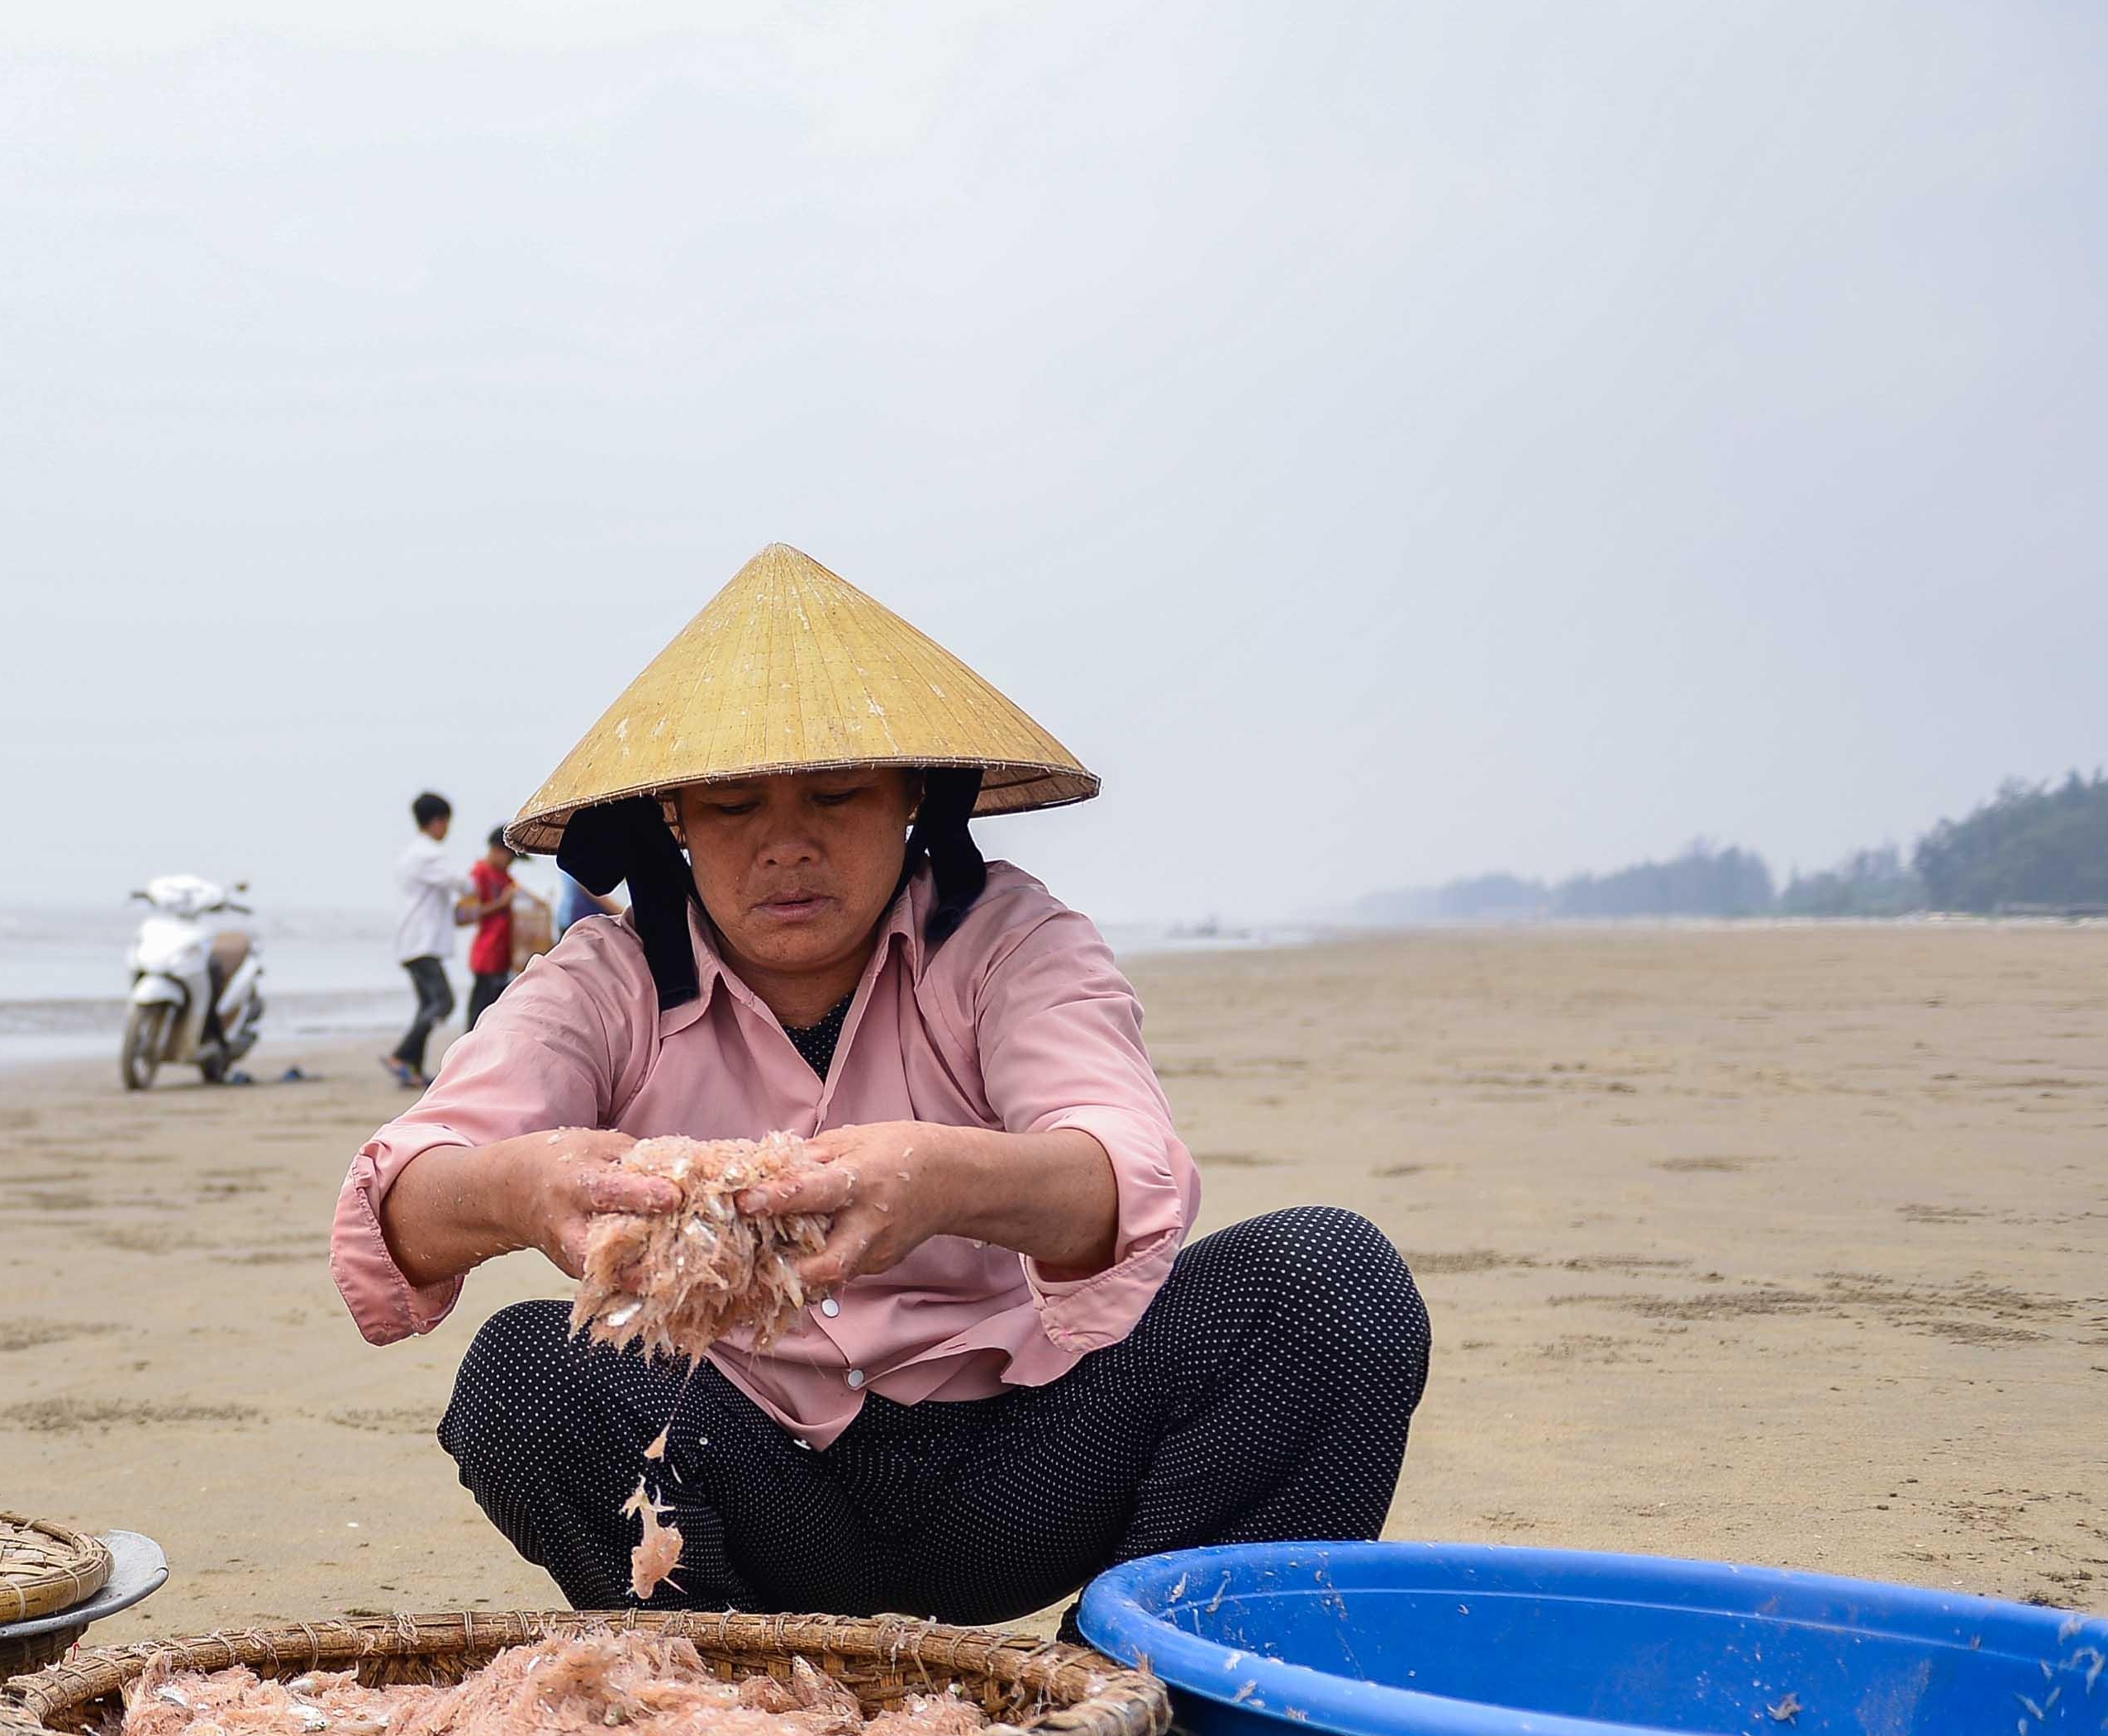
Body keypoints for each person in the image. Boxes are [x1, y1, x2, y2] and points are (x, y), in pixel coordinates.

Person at [329, 545, 1427, 1625]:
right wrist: (518, 1191)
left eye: (838, 795)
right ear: (674, 822)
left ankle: (1137, 1689)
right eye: (733, 810)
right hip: (745, 1475)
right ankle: (743, 1702)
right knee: (526, 1375)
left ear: (911, 797)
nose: (786, 845)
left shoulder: (1008, 941)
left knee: (1330, 1283)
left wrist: (943, 1183)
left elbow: (1126, 1165)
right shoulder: (607, 981)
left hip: (1029, 1459)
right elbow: (403, 1204)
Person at [384, 790, 464, 1087]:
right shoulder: (428, 854)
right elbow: (461, 883)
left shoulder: (411, 854)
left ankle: (413, 1070)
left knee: (426, 1006)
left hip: (412, 941)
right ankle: (401, 1055)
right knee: (443, 1002)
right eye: (447, 822)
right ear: (437, 822)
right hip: (423, 942)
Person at [459, 826, 522, 1031]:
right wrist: (501, 904)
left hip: (505, 955)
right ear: (496, 849)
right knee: (479, 1013)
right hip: (487, 954)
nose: (511, 863)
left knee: (499, 1013)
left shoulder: (507, 879)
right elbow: (462, 916)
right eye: (509, 856)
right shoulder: (479, 873)